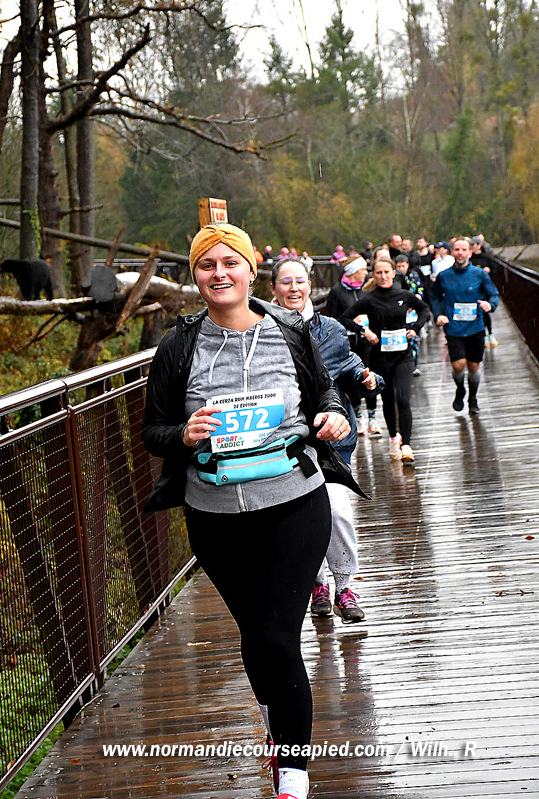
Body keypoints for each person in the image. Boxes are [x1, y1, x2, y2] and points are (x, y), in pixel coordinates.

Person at [142, 223, 362, 799]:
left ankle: (293, 776)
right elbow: (153, 431)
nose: (219, 274)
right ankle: (275, 718)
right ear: (196, 275)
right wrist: (183, 434)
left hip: (294, 500)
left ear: (250, 270)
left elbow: (326, 393)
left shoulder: (290, 330)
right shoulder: (178, 346)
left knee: (278, 638)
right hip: (215, 513)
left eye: (230, 263)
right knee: (257, 635)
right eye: (207, 265)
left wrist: (333, 418)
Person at [270, 257, 383, 622]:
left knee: (337, 512)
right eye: (285, 281)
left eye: (300, 281)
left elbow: (349, 365)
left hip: (330, 442)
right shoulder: (261, 331)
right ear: (272, 288)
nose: (293, 288)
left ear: (310, 285)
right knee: (304, 518)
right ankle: (318, 583)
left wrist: (370, 380)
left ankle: (345, 587)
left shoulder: (330, 328)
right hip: (284, 443)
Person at [340, 256, 430, 463]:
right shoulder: (369, 299)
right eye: (378, 273)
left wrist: (415, 328)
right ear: (373, 275)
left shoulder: (404, 295)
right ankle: (393, 438)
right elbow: (345, 318)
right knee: (388, 400)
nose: (383, 276)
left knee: (403, 399)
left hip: (403, 356)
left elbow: (424, 309)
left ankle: (407, 444)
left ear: (393, 273)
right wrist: (365, 331)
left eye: (386, 272)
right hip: (380, 358)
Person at [431, 236, 500, 415]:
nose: (460, 253)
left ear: (470, 252)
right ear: (451, 252)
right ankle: (460, 388)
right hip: (454, 327)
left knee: (474, 366)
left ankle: (473, 398)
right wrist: (438, 315)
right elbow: (434, 296)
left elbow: (494, 294)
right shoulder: (444, 276)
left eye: (464, 250)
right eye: (457, 250)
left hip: (475, 326)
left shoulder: (479, 274)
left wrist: (490, 305)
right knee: (458, 365)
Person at [325, 253, 383, 436]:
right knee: (351, 381)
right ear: (353, 272)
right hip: (348, 344)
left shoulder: (365, 290)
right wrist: (351, 322)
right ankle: (359, 417)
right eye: (363, 270)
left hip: (367, 342)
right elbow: (331, 319)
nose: (366, 273)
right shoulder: (336, 292)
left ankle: (373, 418)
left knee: (369, 376)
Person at [395, 254, 424, 376]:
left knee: (412, 340)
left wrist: (418, 298)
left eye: (403, 266)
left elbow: (420, 289)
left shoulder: (413, 275)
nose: (401, 268)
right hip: (399, 312)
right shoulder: (395, 277)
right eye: (399, 266)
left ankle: (414, 365)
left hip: (412, 313)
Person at [470, 237, 498, 346]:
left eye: (473, 245)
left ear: (479, 245)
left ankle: (490, 333)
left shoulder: (486, 258)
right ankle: (483, 335)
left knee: (485, 311)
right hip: (474, 288)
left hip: (485, 287)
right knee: (478, 312)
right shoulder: (470, 259)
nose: (472, 247)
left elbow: (495, 269)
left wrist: (489, 270)